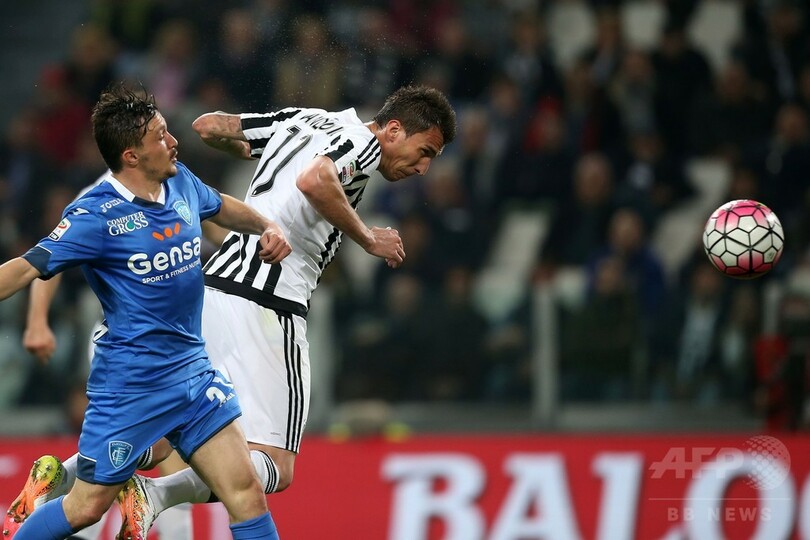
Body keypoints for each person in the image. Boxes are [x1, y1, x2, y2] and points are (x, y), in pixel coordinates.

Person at [13, 85, 456, 536]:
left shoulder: (306, 120)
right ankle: (156, 494)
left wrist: (265, 160)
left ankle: (66, 474)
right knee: (276, 465)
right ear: (393, 130)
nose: (423, 168)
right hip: (269, 302)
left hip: (211, 291)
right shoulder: (363, 144)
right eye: (425, 152)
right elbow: (315, 180)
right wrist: (368, 237)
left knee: (174, 432)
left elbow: (210, 127)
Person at [1, 83, 290, 540]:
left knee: (246, 493)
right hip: (132, 386)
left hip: (194, 375)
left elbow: (219, 206)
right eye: (160, 136)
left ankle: (67, 473)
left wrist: (266, 226)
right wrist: (36, 321)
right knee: (85, 508)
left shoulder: (179, 180)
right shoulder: (95, 215)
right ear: (131, 155)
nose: (173, 141)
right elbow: (28, 267)